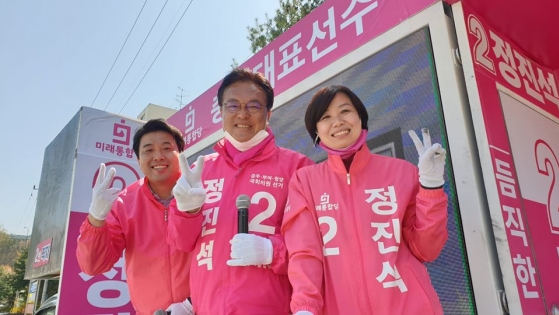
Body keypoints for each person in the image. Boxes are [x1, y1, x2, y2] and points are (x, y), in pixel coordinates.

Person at [282, 85, 448, 315]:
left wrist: (431, 187)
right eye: (325, 117)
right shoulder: (304, 182)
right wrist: (305, 307)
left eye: (345, 111)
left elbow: (426, 250)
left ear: (360, 116)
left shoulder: (401, 172)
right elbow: (304, 253)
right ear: (316, 130)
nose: (337, 121)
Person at [167, 68, 314, 314]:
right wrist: (187, 212)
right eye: (233, 106)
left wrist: (272, 251)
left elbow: (317, 247)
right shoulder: (199, 171)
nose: (243, 114)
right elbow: (181, 243)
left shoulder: (297, 168)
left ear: (269, 114)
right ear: (221, 112)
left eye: (253, 106)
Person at [76, 119, 193, 315]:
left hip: (206, 307)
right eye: (148, 150)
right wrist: (96, 218)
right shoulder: (123, 203)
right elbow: (93, 266)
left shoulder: (201, 190)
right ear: (138, 160)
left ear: (180, 154)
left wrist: (191, 304)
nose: (158, 156)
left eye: (166, 148)